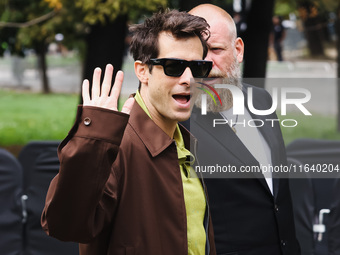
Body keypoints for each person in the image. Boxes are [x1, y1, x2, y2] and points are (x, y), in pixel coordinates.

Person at [41, 9, 216, 255]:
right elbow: (64, 226)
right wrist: (94, 140)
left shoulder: (187, 145)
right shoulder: (115, 145)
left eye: (198, 68)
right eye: (174, 66)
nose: (189, 79)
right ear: (142, 70)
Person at [187, 4, 300, 255]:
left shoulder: (262, 101)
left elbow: (278, 196)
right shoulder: (179, 122)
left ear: (238, 50)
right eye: (196, 53)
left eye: (215, 49)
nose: (206, 63)